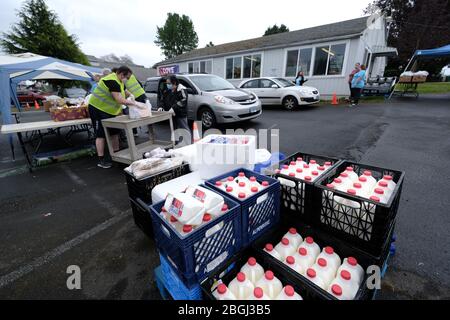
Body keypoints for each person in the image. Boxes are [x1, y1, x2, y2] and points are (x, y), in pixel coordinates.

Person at [88, 66, 136, 168]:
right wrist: (134, 103)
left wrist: (131, 95)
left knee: (115, 132)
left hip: (110, 111)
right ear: (122, 74)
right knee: (100, 134)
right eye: (127, 77)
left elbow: (124, 91)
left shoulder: (119, 81)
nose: (127, 80)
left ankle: (117, 155)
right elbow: (119, 99)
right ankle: (101, 160)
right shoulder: (111, 80)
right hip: (97, 109)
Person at [163, 75, 190, 145]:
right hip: (172, 114)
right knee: (175, 130)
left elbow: (183, 100)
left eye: (169, 83)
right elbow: (163, 100)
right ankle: (177, 144)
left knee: (184, 129)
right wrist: (161, 107)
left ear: (174, 83)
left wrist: (173, 108)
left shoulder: (182, 89)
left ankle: (188, 144)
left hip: (181, 114)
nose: (167, 85)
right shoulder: (168, 91)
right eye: (167, 83)